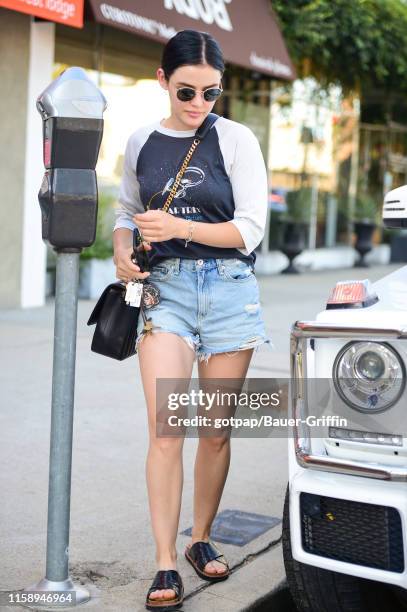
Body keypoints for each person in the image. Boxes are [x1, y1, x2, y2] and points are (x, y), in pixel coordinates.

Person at [112, 29, 271, 611]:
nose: (199, 104)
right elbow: (126, 209)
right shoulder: (141, 142)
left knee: (215, 429)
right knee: (165, 428)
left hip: (229, 292)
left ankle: (199, 538)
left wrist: (178, 227)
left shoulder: (236, 140)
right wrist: (122, 245)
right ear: (162, 80)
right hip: (167, 293)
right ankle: (164, 563)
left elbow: (249, 230)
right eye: (186, 92)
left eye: (211, 92)